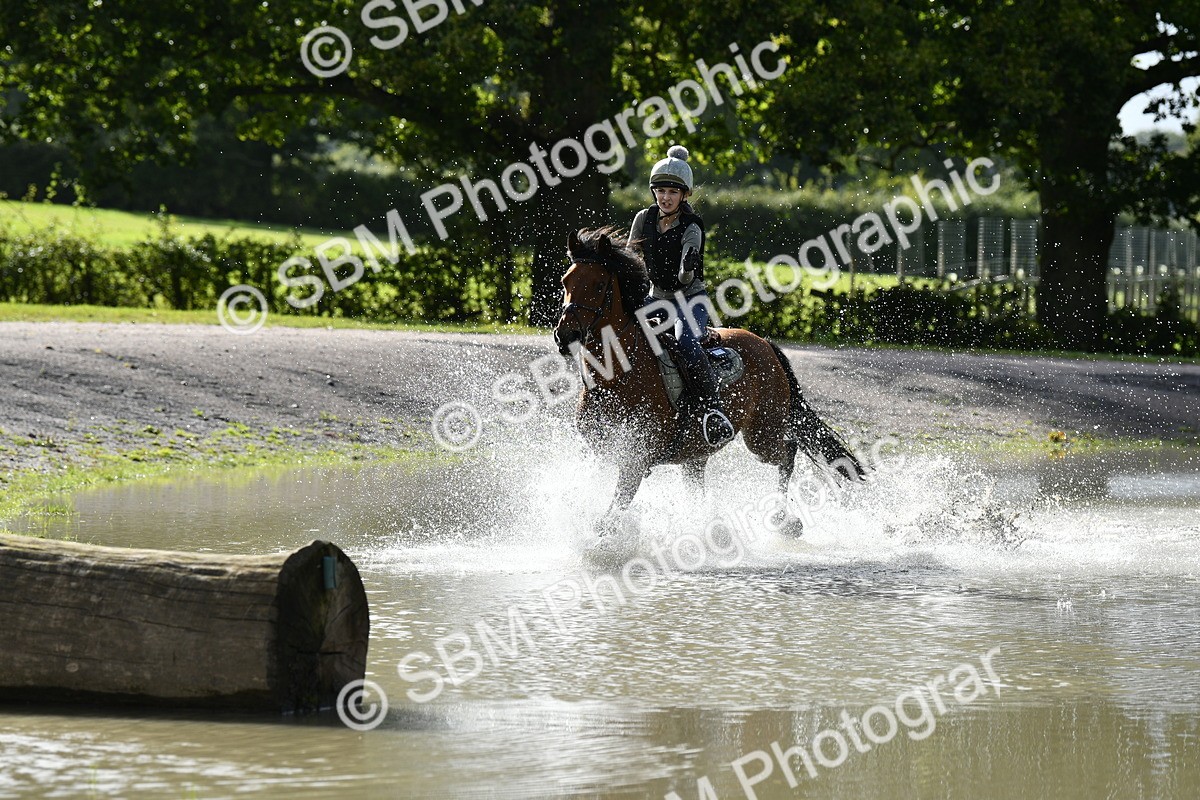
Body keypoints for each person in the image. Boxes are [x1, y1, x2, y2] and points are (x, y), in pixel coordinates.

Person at [629, 145, 735, 447]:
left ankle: (713, 410)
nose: (665, 197)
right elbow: (633, 259)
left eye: (672, 192)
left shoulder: (692, 226)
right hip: (656, 299)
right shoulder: (643, 219)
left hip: (690, 300)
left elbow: (684, 279)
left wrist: (687, 266)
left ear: (685, 195)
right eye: (660, 191)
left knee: (686, 343)